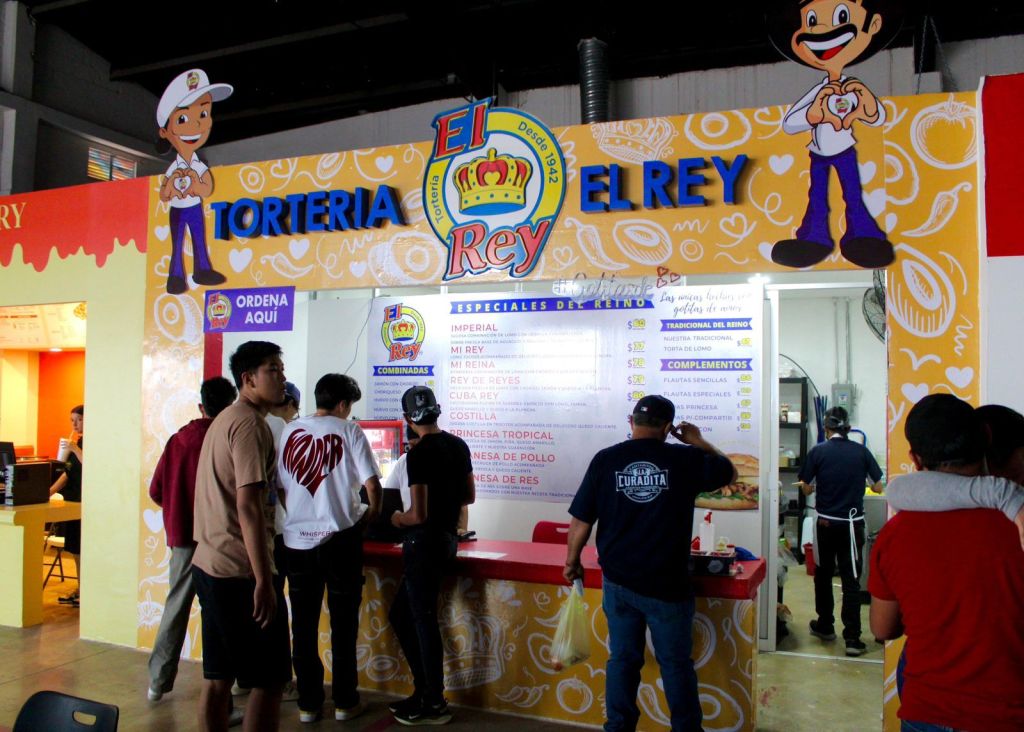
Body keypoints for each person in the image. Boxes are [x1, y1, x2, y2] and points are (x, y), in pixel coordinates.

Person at [564, 395, 735, 732]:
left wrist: (572, 561)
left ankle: (619, 726)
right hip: (667, 585)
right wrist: (698, 441)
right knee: (675, 665)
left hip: (619, 583)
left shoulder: (605, 460)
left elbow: (581, 519)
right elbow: (729, 471)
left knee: (622, 661)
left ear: (632, 422)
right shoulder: (685, 459)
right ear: (668, 428)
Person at [869, 394, 1024, 732]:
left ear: (915, 459)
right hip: (1007, 715)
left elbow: (882, 629)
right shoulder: (1015, 527)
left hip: (927, 710)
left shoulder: (896, 533)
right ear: (985, 438)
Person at [191, 341, 291, 732]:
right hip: (239, 573)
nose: (281, 378)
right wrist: (263, 580)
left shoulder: (226, 419)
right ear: (248, 379)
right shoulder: (250, 424)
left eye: (281, 369)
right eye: (273, 370)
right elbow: (248, 505)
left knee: (218, 677)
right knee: (270, 680)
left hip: (210, 564)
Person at [766, 0, 903, 268]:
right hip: (818, 153)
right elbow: (790, 123)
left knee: (852, 193)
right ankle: (814, 238)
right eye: (812, 21)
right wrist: (815, 113)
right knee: (817, 196)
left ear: (873, 25)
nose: (822, 30)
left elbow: (877, 117)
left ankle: (863, 235)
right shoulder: (820, 91)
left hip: (845, 149)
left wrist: (863, 104)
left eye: (841, 16)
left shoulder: (854, 88)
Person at [278, 373, 382, 723]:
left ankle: (308, 704)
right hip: (341, 539)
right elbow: (372, 485)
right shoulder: (349, 430)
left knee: (303, 626)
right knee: (344, 624)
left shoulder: (290, 431)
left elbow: (280, 487)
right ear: (342, 404)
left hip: (296, 542)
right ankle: (344, 702)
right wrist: (369, 518)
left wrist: (299, 514)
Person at [387, 386, 474, 726]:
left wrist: (396, 518)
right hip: (447, 540)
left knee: (421, 621)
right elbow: (468, 496)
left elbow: (417, 514)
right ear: (437, 410)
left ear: (407, 418)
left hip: (422, 544)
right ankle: (423, 690)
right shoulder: (458, 445)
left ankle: (433, 701)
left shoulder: (418, 454)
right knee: (403, 615)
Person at [147, 377, 237, 702]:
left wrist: (178, 510)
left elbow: (156, 490)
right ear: (231, 406)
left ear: (201, 406)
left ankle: (157, 682)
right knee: (223, 613)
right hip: (219, 538)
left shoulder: (178, 440)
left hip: (183, 538)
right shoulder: (227, 439)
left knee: (176, 606)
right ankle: (231, 688)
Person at [797, 406, 883, 656]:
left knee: (823, 575)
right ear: (848, 428)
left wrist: (813, 487)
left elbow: (806, 486)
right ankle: (853, 638)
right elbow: (878, 487)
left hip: (825, 524)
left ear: (826, 428)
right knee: (851, 580)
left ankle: (825, 625)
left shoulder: (818, 452)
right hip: (852, 526)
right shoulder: (861, 452)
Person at [157, 68, 231, 295]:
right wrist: (170, 187)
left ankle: (202, 269)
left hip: (194, 207)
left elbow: (207, 188)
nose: (196, 125)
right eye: (182, 119)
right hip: (177, 210)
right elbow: (163, 194)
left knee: (199, 238)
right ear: (165, 132)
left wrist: (196, 184)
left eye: (203, 114)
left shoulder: (198, 166)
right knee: (177, 242)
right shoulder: (174, 168)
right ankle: (176, 276)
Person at [48, 404, 84, 608]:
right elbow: (68, 473)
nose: (75, 424)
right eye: (72, 421)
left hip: (85, 502)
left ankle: (85, 590)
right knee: (75, 549)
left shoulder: (90, 443)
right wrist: (49, 491)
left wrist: (75, 449)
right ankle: (80, 588)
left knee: (82, 549)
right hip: (72, 501)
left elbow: (93, 467)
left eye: (79, 420)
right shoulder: (76, 443)